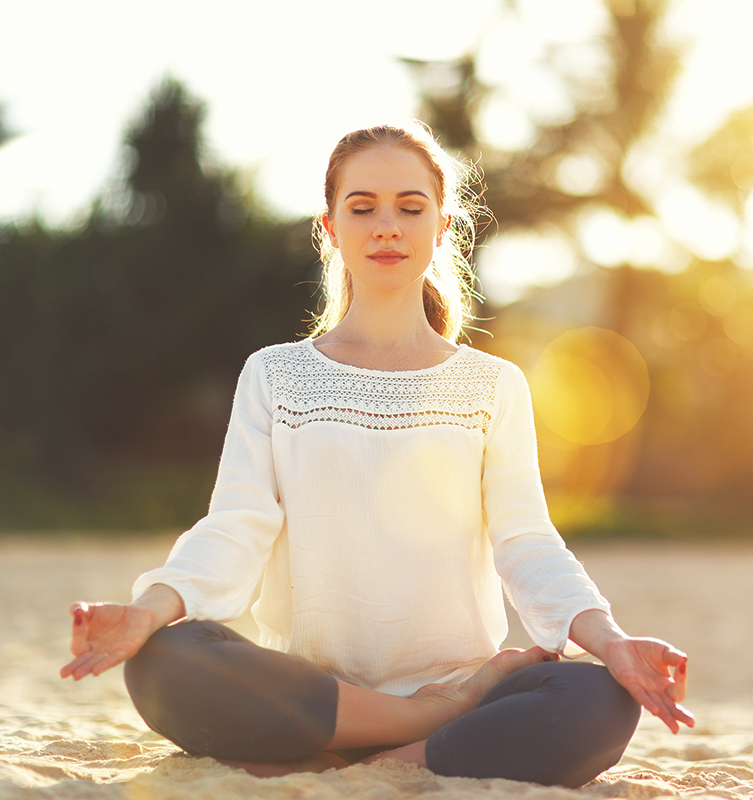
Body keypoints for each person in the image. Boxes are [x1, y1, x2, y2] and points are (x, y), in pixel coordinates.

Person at [60, 123, 694, 788]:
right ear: (330, 228)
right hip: (316, 691)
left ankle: (366, 750)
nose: (386, 226)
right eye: (362, 208)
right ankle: (416, 726)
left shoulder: (491, 386)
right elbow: (236, 525)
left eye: (410, 208)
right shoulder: (275, 376)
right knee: (166, 659)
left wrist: (613, 643)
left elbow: (526, 540)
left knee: (599, 698)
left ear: (442, 227)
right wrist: (151, 609)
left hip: (463, 682)